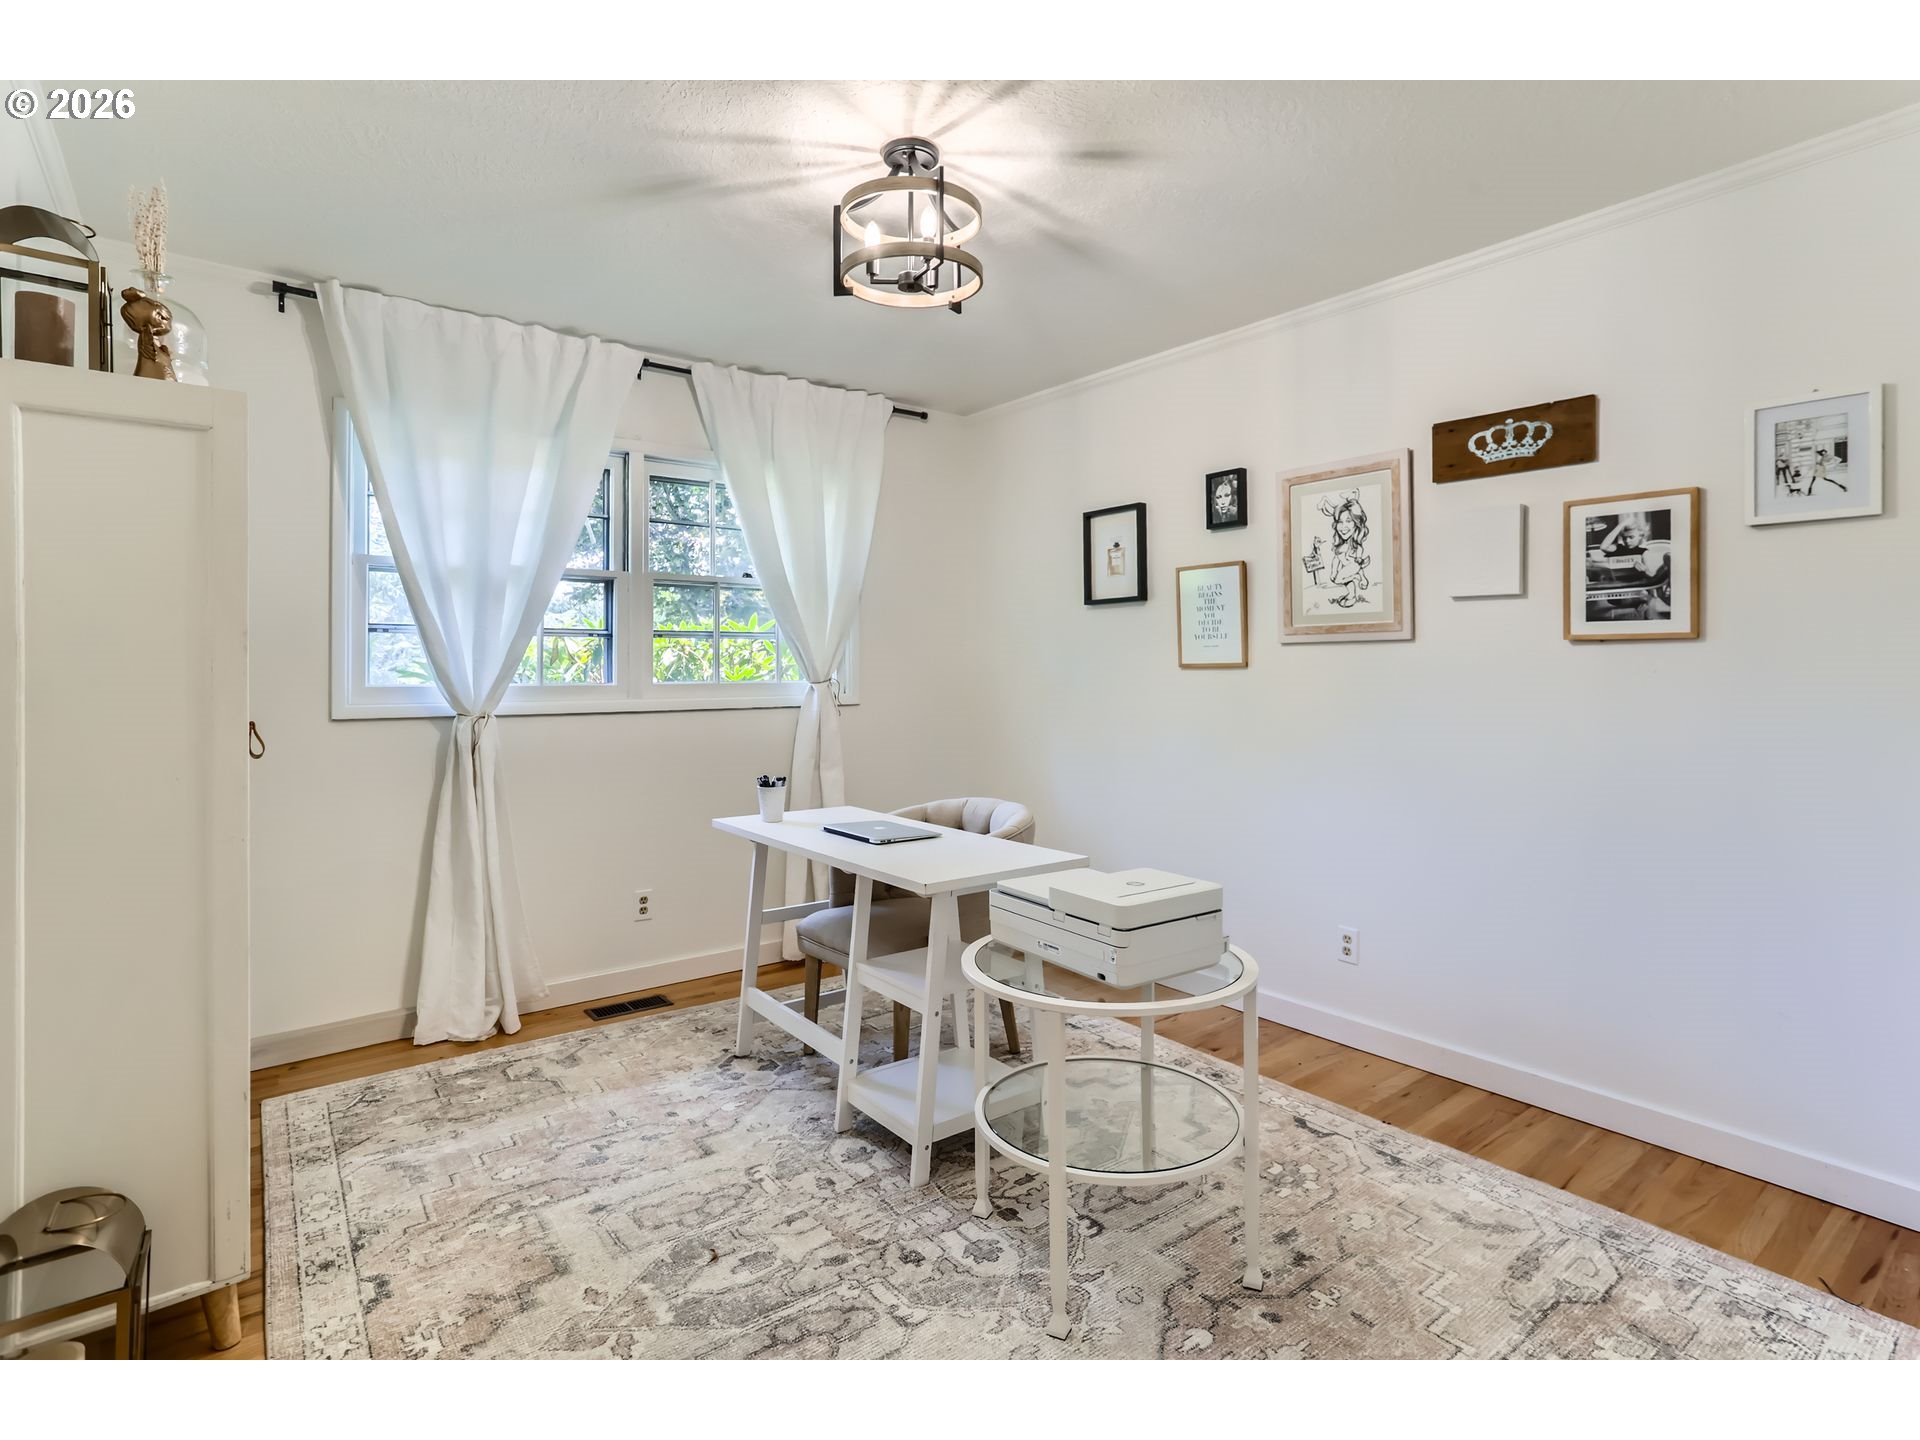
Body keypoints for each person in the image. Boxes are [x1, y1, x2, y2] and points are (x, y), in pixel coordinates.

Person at [1318, 490, 1371, 607]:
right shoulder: (1341, 545)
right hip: (1346, 568)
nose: (1343, 527)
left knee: (1338, 579)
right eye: (1340, 522)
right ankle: (1351, 596)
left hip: (1353, 568)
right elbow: (1336, 559)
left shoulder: (1356, 547)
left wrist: (1361, 576)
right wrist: (1333, 571)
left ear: (1356, 523)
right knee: (1343, 580)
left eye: (1348, 521)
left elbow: (1357, 565)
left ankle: (1357, 578)